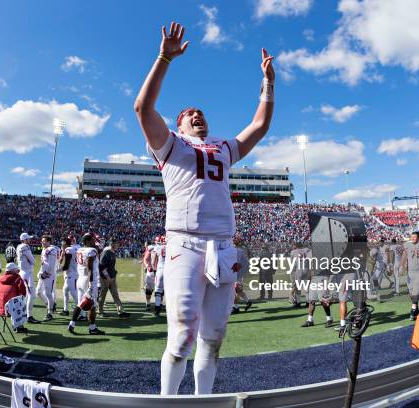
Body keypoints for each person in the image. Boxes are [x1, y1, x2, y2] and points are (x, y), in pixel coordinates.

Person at [134, 21, 274, 395]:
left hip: (223, 246)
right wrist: (164, 58)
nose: (197, 115)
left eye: (200, 112)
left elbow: (259, 126)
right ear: (178, 125)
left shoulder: (222, 147)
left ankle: (203, 402)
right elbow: (142, 107)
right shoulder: (172, 145)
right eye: (189, 113)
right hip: (185, 244)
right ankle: (168, 403)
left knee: (213, 338)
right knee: (181, 336)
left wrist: (268, 85)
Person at [69, 233, 105, 335]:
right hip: (88, 280)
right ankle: (92, 328)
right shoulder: (91, 251)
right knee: (92, 305)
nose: (94, 242)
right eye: (92, 240)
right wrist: (90, 284)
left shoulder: (79, 250)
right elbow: (90, 269)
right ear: (87, 241)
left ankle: (72, 324)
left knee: (81, 303)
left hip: (80, 279)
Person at [98, 241, 130, 318]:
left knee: (115, 294)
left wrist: (114, 273)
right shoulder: (106, 252)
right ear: (112, 244)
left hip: (112, 277)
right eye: (116, 244)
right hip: (105, 278)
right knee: (102, 295)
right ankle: (100, 311)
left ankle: (120, 311)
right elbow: (101, 266)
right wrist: (107, 277)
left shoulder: (112, 252)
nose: (117, 245)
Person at [401, 231, 419, 321]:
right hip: (410, 272)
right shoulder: (407, 245)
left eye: (415, 237)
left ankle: (413, 309)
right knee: (411, 291)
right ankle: (416, 307)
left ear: (418, 238)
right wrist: (402, 267)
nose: (413, 238)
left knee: (416, 290)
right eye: (411, 236)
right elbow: (404, 257)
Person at [0, 262, 28, 333]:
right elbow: (23, 292)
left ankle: (18, 326)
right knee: (21, 302)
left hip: (0, 308)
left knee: (16, 301)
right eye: (17, 270)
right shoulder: (17, 278)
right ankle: (19, 326)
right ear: (12, 271)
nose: (18, 272)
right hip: (12, 309)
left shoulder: (0, 279)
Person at [16, 233, 40, 324]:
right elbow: (33, 261)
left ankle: (25, 313)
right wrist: (32, 259)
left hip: (24, 272)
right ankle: (28, 315)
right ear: (24, 240)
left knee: (27, 295)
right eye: (28, 239)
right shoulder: (25, 246)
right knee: (31, 295)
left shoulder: (19, 246)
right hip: (26, 273)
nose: (29, 240)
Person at [36, 235, 59, 321]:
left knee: (48, 293)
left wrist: (45, 274)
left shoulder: (52, 250)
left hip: (49, 275)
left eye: (44, 241)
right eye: (42, 241)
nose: (42, 242)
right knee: (38, 292)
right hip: (43, 274)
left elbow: (51, 265)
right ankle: (50, 305)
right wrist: (40, 272)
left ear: (49, 242)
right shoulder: (44, 249)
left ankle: (49, 313)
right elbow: (44, 263)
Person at [231, 235, 252, 314]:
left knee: (235, 290)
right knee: (238, 290)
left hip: (236, 272)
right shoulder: (243, 249)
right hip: (238, 272)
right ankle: (247, 301)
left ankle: (235, 307)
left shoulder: (238, 251)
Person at [60, 235, 79, 316]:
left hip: (72, 274)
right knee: (65, 291)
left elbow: (66, 266)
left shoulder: (68, 250)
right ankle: (65, 310)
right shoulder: (72, 249)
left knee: (74, 294)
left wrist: (55, 271)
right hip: (71, 274)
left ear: (65, 244)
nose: (61, 245)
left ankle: (83, 314)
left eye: (62, 243)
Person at [289, 242, 311, 308]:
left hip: (298, 270)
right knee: (306, 287)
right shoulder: (307, 250)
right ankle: (308, 302)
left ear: (296, 246)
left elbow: (292, 263)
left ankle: (298, 302)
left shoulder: (293, 252)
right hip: (306, 270)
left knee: (298, 288)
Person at [151, 236, 166, 316]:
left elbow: (153, 262)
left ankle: (157, 309)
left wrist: (154, 270)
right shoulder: (171, 247)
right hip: (170, 271)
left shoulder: (158, 247)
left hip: (160, 270)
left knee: (158, 290)